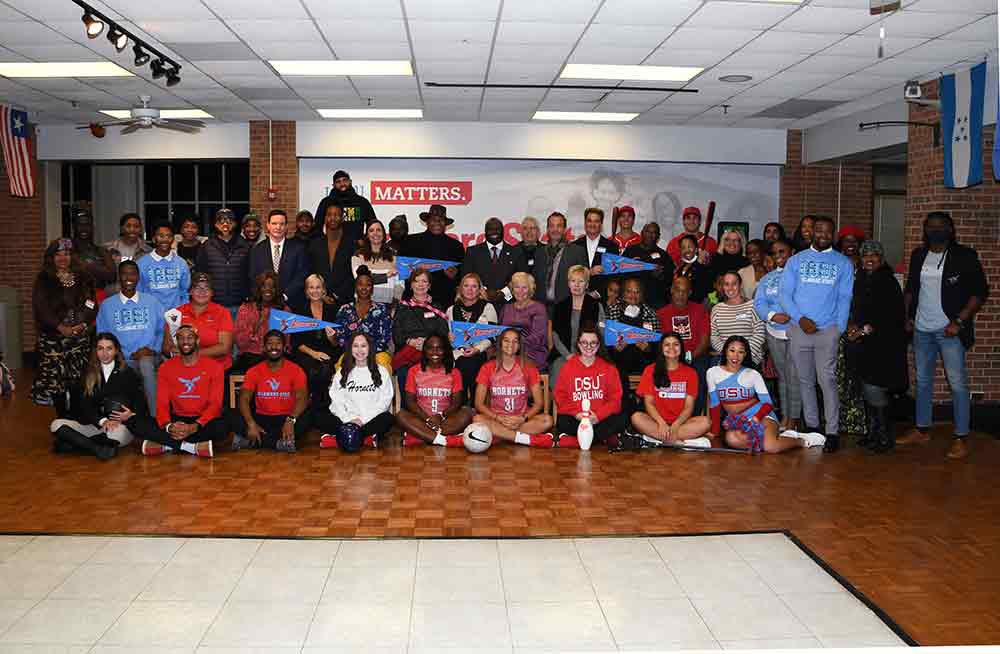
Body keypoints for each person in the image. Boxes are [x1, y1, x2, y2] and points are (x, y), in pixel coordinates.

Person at [897, 211, 988, 460]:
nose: (936, 230)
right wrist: (907, 317)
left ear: (950, 229)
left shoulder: (964, 255)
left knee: (957, 384)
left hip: (950, 330)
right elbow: (911, 289)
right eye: (931, 226)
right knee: (923, 381)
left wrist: (959, 321)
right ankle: (922, 430)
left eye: (941, 226)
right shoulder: (919, 255)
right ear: (925, 230)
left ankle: (961, 437)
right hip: (922, 329)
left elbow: (979, 291)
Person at [779, 215, 855, 453]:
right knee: (805, 381)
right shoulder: (796, 261)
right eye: (818, 231)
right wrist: (800, 319)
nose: (822, 235)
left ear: (833, 235)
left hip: (827, 330)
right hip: (800, 328)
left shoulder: (843, 263)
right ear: (811, 233)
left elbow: (845, 297)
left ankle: (832, 431)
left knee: (827, 380)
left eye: (827, 232)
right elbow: (785, 295)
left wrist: (839, 328)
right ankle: (813, 427)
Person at [707, 335, 825, 453]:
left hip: (761, 417)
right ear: (725, 351)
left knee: (771, 447)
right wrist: (715, 432)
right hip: (739, 422)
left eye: (741, 352)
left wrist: (757, 417)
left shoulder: (753, 374)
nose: (735, 356)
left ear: (745, 354)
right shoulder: (713, 372)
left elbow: (768, 404)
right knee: (731, 439)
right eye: (732, 350)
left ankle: (802, 440)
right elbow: (715, 404)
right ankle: (781, 438)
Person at [847, 240, 907, 453]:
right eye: (865, 256)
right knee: (865, 387)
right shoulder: (861, 280)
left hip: (883, 345)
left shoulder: (887, 281)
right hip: (864, 345)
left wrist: (863, 331)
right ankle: (872, 432)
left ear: (881, 259)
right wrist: (853, 326)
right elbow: (855, 308)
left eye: (874, 256)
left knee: (875, 388)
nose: (869, 260)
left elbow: (891, 316)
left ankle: (884, 436)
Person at [50, 332, 147, 459]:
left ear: (116, 351)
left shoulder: (128, 373)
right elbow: (83, 405)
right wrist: (102, 421)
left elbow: (140, 403)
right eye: (100, 348)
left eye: (109, 348)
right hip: (95, 424)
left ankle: (77, 444)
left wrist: (130, 415)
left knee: (115, 436)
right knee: (56, 425)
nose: (104, 353)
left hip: (118, 427)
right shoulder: (86, 372)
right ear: (95, 351)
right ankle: (97, 448)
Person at [136, 324, 224, 458]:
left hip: (202, 421)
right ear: (177, 342)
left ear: (197, 341)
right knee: (136, 421)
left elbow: (215, 404)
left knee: (226, 423)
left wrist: (194, 426)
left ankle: (166, 444)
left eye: (190, 337)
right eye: (181, 338)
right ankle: (191, 447)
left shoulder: (215, 367)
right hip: (177, 420)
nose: (185, 341)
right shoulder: (166, 367)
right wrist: (169, 427)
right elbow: (162, 403)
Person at [30, 238, 98, 409]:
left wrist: (82, 324)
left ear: (72, 256)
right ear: (51, 258)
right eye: (57, 254)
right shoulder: (44, 279)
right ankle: (62, 418)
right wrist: (61, 327)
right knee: (56, 383)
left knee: (77, 380)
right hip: (53, 338)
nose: (62, 258)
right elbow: (41, 308)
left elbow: (91, 303)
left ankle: (76, 417)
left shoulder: (84, 277)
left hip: (79, 336)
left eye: (66, 254)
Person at [97, 259, 165, 418]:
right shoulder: (108, 305)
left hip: (149, 356)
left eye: (133, 273)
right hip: (120, 359)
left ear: (138, 277)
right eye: (124, 274)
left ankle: (156, 419)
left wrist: (151, 349)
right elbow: (103, 337)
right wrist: (119, 354)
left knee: (146, 364)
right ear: (118, 277)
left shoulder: (152, 302)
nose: (129, 277)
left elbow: (163, 331)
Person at [229, 330, 309, 453]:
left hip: (286, 418)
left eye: (278, 343)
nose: (274, 347)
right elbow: (244, 398)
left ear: (285, 347)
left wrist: (291, 420)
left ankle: (251, 441)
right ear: (264, 347)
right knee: (232, 415)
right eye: (270, 343)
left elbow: (302, 398)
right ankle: (278, 443)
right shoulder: (254, 370)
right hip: (262, 418)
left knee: (307, 417)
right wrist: (251, 423)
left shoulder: (296, 370)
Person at [473, 328, 555, 447]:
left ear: (519, 346)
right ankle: (523, 439)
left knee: (547, 420)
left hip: (521, 420)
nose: (510, 344)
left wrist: (523, 418)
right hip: (497, 419)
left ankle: (501, 435)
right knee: (477, 419)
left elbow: (539, 403)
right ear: (500, 343)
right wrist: (498, 418)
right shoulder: (487, 368)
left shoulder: (529, 367)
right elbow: (478, 404)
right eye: (506, 341)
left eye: (515, 341)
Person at [317, 332, 396, 450]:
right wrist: (349, 420)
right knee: (319, 416)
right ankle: (365, 438)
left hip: (369, 420)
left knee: (387, 419)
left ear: (370, 348)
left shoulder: (382, 371)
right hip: (345, 420)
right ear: (350, 349)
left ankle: (338, 439)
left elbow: (384, 402)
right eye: (355, 346)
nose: (359, 350)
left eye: (363, 346)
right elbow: (336, 401)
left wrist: (362, 420)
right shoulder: (342, 372)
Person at [630, 333, 711, 446]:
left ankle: (658, 439)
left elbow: (689, 407)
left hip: (681, 423)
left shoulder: (691, 373)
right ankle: (677, 441)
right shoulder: (650, 370)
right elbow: (649, 403)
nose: (672, 348)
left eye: (676, 344)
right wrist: (661, 423)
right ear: (661, 349)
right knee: (636, 417)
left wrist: (676, 425)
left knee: (705, 422)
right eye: (667, 345)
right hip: (657, 422)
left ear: (681, 348)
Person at [396, 333, 476, 446]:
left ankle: (422, 437)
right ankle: (443, 440)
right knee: (401, 415)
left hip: (445, 420)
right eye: (430, 348)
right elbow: (410, 401)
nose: (435, 353)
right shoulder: (414, 371)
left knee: (468, 412)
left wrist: (441, 415)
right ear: (424, 351)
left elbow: (456, 402)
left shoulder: (454, 373)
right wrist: (428, 419)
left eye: (439, 349)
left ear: (445, 351)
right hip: (422, 419)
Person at [753, 238, 800, 431]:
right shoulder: (768, 278)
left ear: (792, 252)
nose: (779, 256)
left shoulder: (801, 277)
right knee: (783, 377)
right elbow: (759, 303)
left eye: (783, 252)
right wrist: (772, 315)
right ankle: (785, 418)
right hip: (774, 333)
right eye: (775, 253)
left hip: (796, 333)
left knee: (794, 378)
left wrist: (791, 316)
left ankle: (794, 420)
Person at [553, 326, 624, 447]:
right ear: (578, 344)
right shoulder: (567, 367)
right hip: (576, 418)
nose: (588, 347)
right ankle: (599, 440)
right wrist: (577, 414)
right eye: (584, 343)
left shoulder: (609, 368)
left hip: (599, 419)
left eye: (593, 343)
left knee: (620, 420)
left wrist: (598, 416)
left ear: (598, 345)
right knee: (563, 421)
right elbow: (560, 396)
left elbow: (615, 400)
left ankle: (574, 441)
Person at [656, 276, 711, 415]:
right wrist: (674, 358)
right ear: (671, 290)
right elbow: (660, 343)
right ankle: (668, 416)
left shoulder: (700, 310)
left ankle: (694, 417)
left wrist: (690, 356)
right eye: (677, 290)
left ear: (690, 293)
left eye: (684, 291)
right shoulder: (661, 313)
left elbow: (705, 340)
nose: (680, 295)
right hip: (669, 356)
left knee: (699, 373)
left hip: (695, 355)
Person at [834, 225, 868, 439]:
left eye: (854, 240)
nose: (850, 245)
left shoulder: (868, 268)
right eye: (846, 241)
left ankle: (861, 423)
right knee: (839, 376)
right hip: (838, 327)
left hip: (862, 330)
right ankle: (840, 421)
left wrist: (860, 326)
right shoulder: (835, 266)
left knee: (859, 376)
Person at [550, 265, 605, 391]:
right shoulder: (560, 306)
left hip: (591, 354)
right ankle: (563, 409)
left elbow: (601, 333)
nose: (577, 285)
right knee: (559, 370)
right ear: (568, 284)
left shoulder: (596, 305)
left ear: (586, 285)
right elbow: (555, 335)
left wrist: (588, 354)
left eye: (581, 281)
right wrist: (568, 356)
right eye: (573, 281)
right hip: (564, 355)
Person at [291, 274, 341, 412]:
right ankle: (312, 405)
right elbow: (296, 342)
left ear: (324, 290)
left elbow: (337, 343)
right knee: (313, 370)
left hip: (328, 350)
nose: (315, 291)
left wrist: (332, 337)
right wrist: (313, 353)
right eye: (311, 287)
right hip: (305, 351)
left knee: (324, 369)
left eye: (318, 287)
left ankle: (320, 406)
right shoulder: (299, 310)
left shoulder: (333, 309)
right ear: (307, 291)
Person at [392, 268, 450, 386]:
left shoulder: (437, 307)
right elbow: (396, 334)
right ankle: (406, 404)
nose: (420, 285)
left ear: (429, 285)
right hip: (408, 351)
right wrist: (410, 341)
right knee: (404, 373)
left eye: (424, 281)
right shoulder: (402, 307)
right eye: (416, 281)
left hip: (432, 351)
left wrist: (427, 343)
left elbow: (443, 331)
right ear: (411, 284)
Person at [398, 204, 464, 306]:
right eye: (433, 219)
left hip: (445, 300)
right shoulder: (410, 242)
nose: (437, 222)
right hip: (414, 298)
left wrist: (455, 275)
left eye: (440, 220)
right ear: (427, 222)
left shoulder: (456, 246)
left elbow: (463, 275)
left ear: (445, 223)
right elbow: (402, 270)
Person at [167, 272, 234, 372]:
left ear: (212, 292)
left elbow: (224, 348)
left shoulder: (222, 312)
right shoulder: (176, 313)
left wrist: (191, 353)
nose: (202, 292)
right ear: (190, 291)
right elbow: (167, 347)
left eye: (206, 288)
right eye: (197, 288)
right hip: (184, 367)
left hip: (216, 367)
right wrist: (174, 352)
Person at [447, 272, 499, 397]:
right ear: (460, 288)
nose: (470, 289)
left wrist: (477, 349)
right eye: (466, 286)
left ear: (479, 290)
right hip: (457, 353)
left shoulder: (488, 307)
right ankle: (463, 404)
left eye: (474, 286)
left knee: (469, 363)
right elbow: (450, 335)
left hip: (479, 351)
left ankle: (472, 404)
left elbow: (492, 336)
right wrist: (449, 338)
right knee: (461, 363)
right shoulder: (451, 310)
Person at [195, 208, 251, 324]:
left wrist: (248, 297)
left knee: (238, 340)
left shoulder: (245, 246)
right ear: (216, 224)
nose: (225, 224)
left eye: (229, 221)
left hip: (240, 305)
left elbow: (250, 273)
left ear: (234, 224)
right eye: (221, 221)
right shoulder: (206, 246)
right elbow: (200, 273)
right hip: (215, 304)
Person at [607, 277, 661, 390]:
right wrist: (614, 348)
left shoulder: (650, 313)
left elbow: (657, 345)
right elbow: (604, 341)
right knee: (616, 372)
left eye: (637, 292)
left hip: (643, 360)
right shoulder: (611, 311)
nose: (633, 295)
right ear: (622, 293)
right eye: (629, 291)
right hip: (618, 360)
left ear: (642, 295)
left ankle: (645, 404)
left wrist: (648, 349)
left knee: (653, 370)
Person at [335, 267, 393, 370]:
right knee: (340, 369)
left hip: (377, 353)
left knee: (384, 368)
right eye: (360, 284)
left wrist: (367, 353)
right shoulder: (344, 309)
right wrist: (356, 352)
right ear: (355, 287)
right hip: (351, 354)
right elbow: (341, 337)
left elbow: (385, 336)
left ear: (372, 288)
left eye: (368, 285)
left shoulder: (382, 309)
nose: (364, 288)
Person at [249, 209, 310, 307]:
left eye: (282, 224)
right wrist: (265, 296)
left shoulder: (298, 248)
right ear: (268, 226)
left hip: (291, 303)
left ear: (286, 227)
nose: (278, 227)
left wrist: (285, 295)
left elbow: (301, 275)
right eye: (274, 223)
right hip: (265, 304)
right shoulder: (257, 250)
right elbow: (253, 276)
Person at [462, 217, 526, 308]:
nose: (494, 232)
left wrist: (503, 293)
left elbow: (522, 279)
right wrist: (483, 292)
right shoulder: (472, 252)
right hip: (479, 303)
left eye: (497, 229)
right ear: (485, 232)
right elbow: (466, 277)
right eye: (490, 229)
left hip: (509, 305)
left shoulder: (516, 253)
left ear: (503, 231)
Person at [532, 211, 589, 311]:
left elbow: (584, 281)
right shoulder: (539, 252)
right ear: (547, 229)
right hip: (541, 307)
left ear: (564, 229)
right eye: (552, 226)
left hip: (567, 307)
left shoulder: (577, 251)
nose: (555, 229)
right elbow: (535, 281)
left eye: (559, 226)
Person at [233, 271, 287, 373]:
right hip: (250, 356)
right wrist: (257, 326)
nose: (268, 289)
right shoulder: (246, 308)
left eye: (272, 287)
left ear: (277, 290)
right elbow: (240, 342)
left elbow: (286, 342)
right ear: (259, 289)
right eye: (264, 286)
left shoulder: (284, 310)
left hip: (276, 355)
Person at [710, 271, 765, 366]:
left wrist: (740, 354)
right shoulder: (716, 309)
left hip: (749, 357)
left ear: (741, 285)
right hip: (724, 357)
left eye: (734, 284)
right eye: (726, 284)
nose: (730, 288)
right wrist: (728, 353)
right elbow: (714, 336)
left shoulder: (753, 305)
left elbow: (760, 334)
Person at [308, 202, 355, 310]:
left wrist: (336, 294)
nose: (333, 218)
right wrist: (322, 294)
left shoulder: (351, 244)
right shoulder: (315, 244)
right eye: (329, 215)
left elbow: (352, 274)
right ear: (325, 218)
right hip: (319, 299)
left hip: (345, 301)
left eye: (336, 215)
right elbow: (311, 271)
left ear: (342, 218)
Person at [498, 272, 549, 372]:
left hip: (531, 352)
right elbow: (499, 332)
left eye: (524, 287)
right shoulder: (506, 308)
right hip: (506, 351)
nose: (520, 291)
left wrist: (514, 346)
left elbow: (538, 337)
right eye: (517, 287)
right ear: (512, 289)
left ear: (531, 290)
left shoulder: (539, 308)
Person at [138, 222, 191, 311]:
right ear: (154, 239)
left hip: (176, 315)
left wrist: (183, 312)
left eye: (169, 236)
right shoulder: (141, 264)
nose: (165, 239)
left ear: (173, 239)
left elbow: (184, 293)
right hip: (151, 313)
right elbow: (139, 292)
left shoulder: (181, 263)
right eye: (161, 236)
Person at [314, 169, 376, 243]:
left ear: (350, 182)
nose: (342, 184)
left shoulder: (362, 202)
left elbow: (373, 224)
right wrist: (323, 243)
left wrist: (365, 240)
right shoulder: (326, 202)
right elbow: (317, 226)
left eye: (344, 180)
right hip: (332, 248)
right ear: (333, 185)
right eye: (338, 182)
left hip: (356, 248)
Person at [623, 222, 674, 309]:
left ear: (658, 236)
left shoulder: (663, 255)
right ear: (642, 233)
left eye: (654, 232)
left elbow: (670, 279)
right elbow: (621, 272)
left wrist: (661, 276)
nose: (650, 235)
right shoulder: (630, 251)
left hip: (654, 301)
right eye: (648, 232)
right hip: (631, 298)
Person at [573, 207, 620, 298]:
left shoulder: (612, 247)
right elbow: (570, 272)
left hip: (600, 299)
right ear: (585, 223)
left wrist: (598, 293)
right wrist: (589, 272)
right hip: (576, 296)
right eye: (589, 221)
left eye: (596, 221)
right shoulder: (574, 245)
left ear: (601, 224)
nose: (592, 224)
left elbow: (613, 276)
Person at [352, 219, 400, 304]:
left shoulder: (394, 256)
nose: (375, 233)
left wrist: (395, 306)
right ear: (367, 235)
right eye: (371, 230)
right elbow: (361, 280)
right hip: (364, 306)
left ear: (384, 234)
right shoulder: (358, 256)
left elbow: (400, 285)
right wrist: (386, 276)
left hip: (388, 307)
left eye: (378, 230)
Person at [70, 210, 115, 286]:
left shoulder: (101, 251)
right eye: (80, 225)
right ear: (74, 227)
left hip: (97, 294)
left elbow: (112, 276)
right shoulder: (67, 250)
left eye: (87, 225)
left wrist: (85, 264)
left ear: (92, 227)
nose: (83, 228)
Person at [673, 234, 713, 303]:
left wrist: (699, 265)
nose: (687, 250)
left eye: (690, 247)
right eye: (683, 248)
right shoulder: (679, 269)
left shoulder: (704, 265)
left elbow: (702, 289)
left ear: (696, 249)